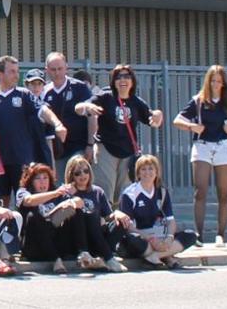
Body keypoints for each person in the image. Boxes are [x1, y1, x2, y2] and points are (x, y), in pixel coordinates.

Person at [173, 64, 227, 245]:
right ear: (208, 81)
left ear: (224, 83)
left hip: (224, 146)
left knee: (224, 192)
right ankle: (199, 235)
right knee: (200, 190)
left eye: (219, 81)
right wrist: (191, 126)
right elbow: (177, 120)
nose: (216, 84)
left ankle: (221, 234)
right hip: (202, 145)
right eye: (213, 81)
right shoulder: (198, 100)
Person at [0, 56, 65, 202]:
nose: (16, 75)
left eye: (17, 71)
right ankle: (3, 225)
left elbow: (42, 110)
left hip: (23, 160)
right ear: (0, 74)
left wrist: (57, 123)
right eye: (12, 71)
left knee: (25, 200)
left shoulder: (24, 94)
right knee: (1, 201)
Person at [75, 64, 164, 203]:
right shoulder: (105, 97)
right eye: (118, 77)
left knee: (125, 195)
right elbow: (78, 108)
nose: (123, 80)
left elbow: (153, 122)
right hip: (105, 151)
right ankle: (104, 223)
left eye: (127, 76)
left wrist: (158, 115)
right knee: (104, 192)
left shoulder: (136, 102)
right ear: (113, 81)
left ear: (132, 80)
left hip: (128, 154)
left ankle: (121, 223)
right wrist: (87, 107)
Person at [118, 154, 196, 269]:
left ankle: (155, 257)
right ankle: (167, 257)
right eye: (143, 169)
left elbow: (171, 220)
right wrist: (151, 240)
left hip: (160, 235)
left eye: (151, 169)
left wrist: (169, 238)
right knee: (132, 240)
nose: (147, 172)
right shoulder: (129, 194)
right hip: (141, 236)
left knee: (191, 235)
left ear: (156, 172)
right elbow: (129, 227)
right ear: (138, 173)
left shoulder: (162, 192)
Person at [15, 162, 83, 272]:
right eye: (38, 178)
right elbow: (29, 201)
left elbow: (80, 203)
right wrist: (55, 193)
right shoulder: (23, 192)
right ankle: (56, 260)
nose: (42, 182)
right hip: (34, 246)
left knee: (76, 212)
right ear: (31, 181)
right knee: (33, 217)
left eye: (45, 178)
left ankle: (83, 252)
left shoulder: (58, 193)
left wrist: (74, 199)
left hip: (55, 241)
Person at [43, 52, 94, 178]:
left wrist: (90, 144)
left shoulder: (79, 88)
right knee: (60, 185)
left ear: (66, 68)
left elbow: (91, 116)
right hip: (56, 150)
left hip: (78, 145)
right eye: (53, 69)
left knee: (78, 179)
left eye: (60, 68)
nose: (57, 72)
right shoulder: (44, 91)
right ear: (47, 70)